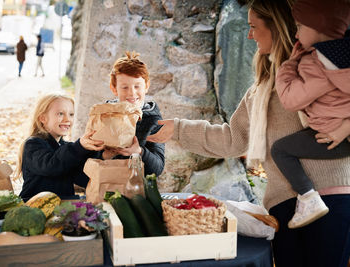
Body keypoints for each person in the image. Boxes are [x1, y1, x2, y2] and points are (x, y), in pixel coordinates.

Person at [146, 0, 350, 266]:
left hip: (330, 199)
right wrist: (178, 129)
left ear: (276, 27)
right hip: (285, 207)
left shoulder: (318, 69)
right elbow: (233, 139)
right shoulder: (262, 88)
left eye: (254, 26)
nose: (249, 34)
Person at [271, 0, 350, 229]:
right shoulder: (343, 59)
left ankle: (308, 198)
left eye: (300, 26)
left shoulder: (316, 64)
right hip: (343, 133)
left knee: (281, 149)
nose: (296, 33)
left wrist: (289, 63)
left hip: (331, 137)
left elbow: (290, 99)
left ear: (319, 27)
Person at [77, 51, 165, 186]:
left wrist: (139, 152)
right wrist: (105, 155)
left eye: (137, 86)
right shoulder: (103, 116)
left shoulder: (154, 121)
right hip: (104, 188)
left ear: (146, 86)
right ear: (114, 89)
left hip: (138, 194)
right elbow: (85, 163)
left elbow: (157, 168)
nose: (132, 93)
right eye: (124, 87)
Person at [16, 94, 105, 201]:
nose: (67, 119)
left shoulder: (66, 148)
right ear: (43, 118)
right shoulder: (33, 144)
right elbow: (52, 166)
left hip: (62, 204)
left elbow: (83, 179)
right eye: (60, 114)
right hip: (33, 206)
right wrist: (79, 146)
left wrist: (103, 154)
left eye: (71, 114)